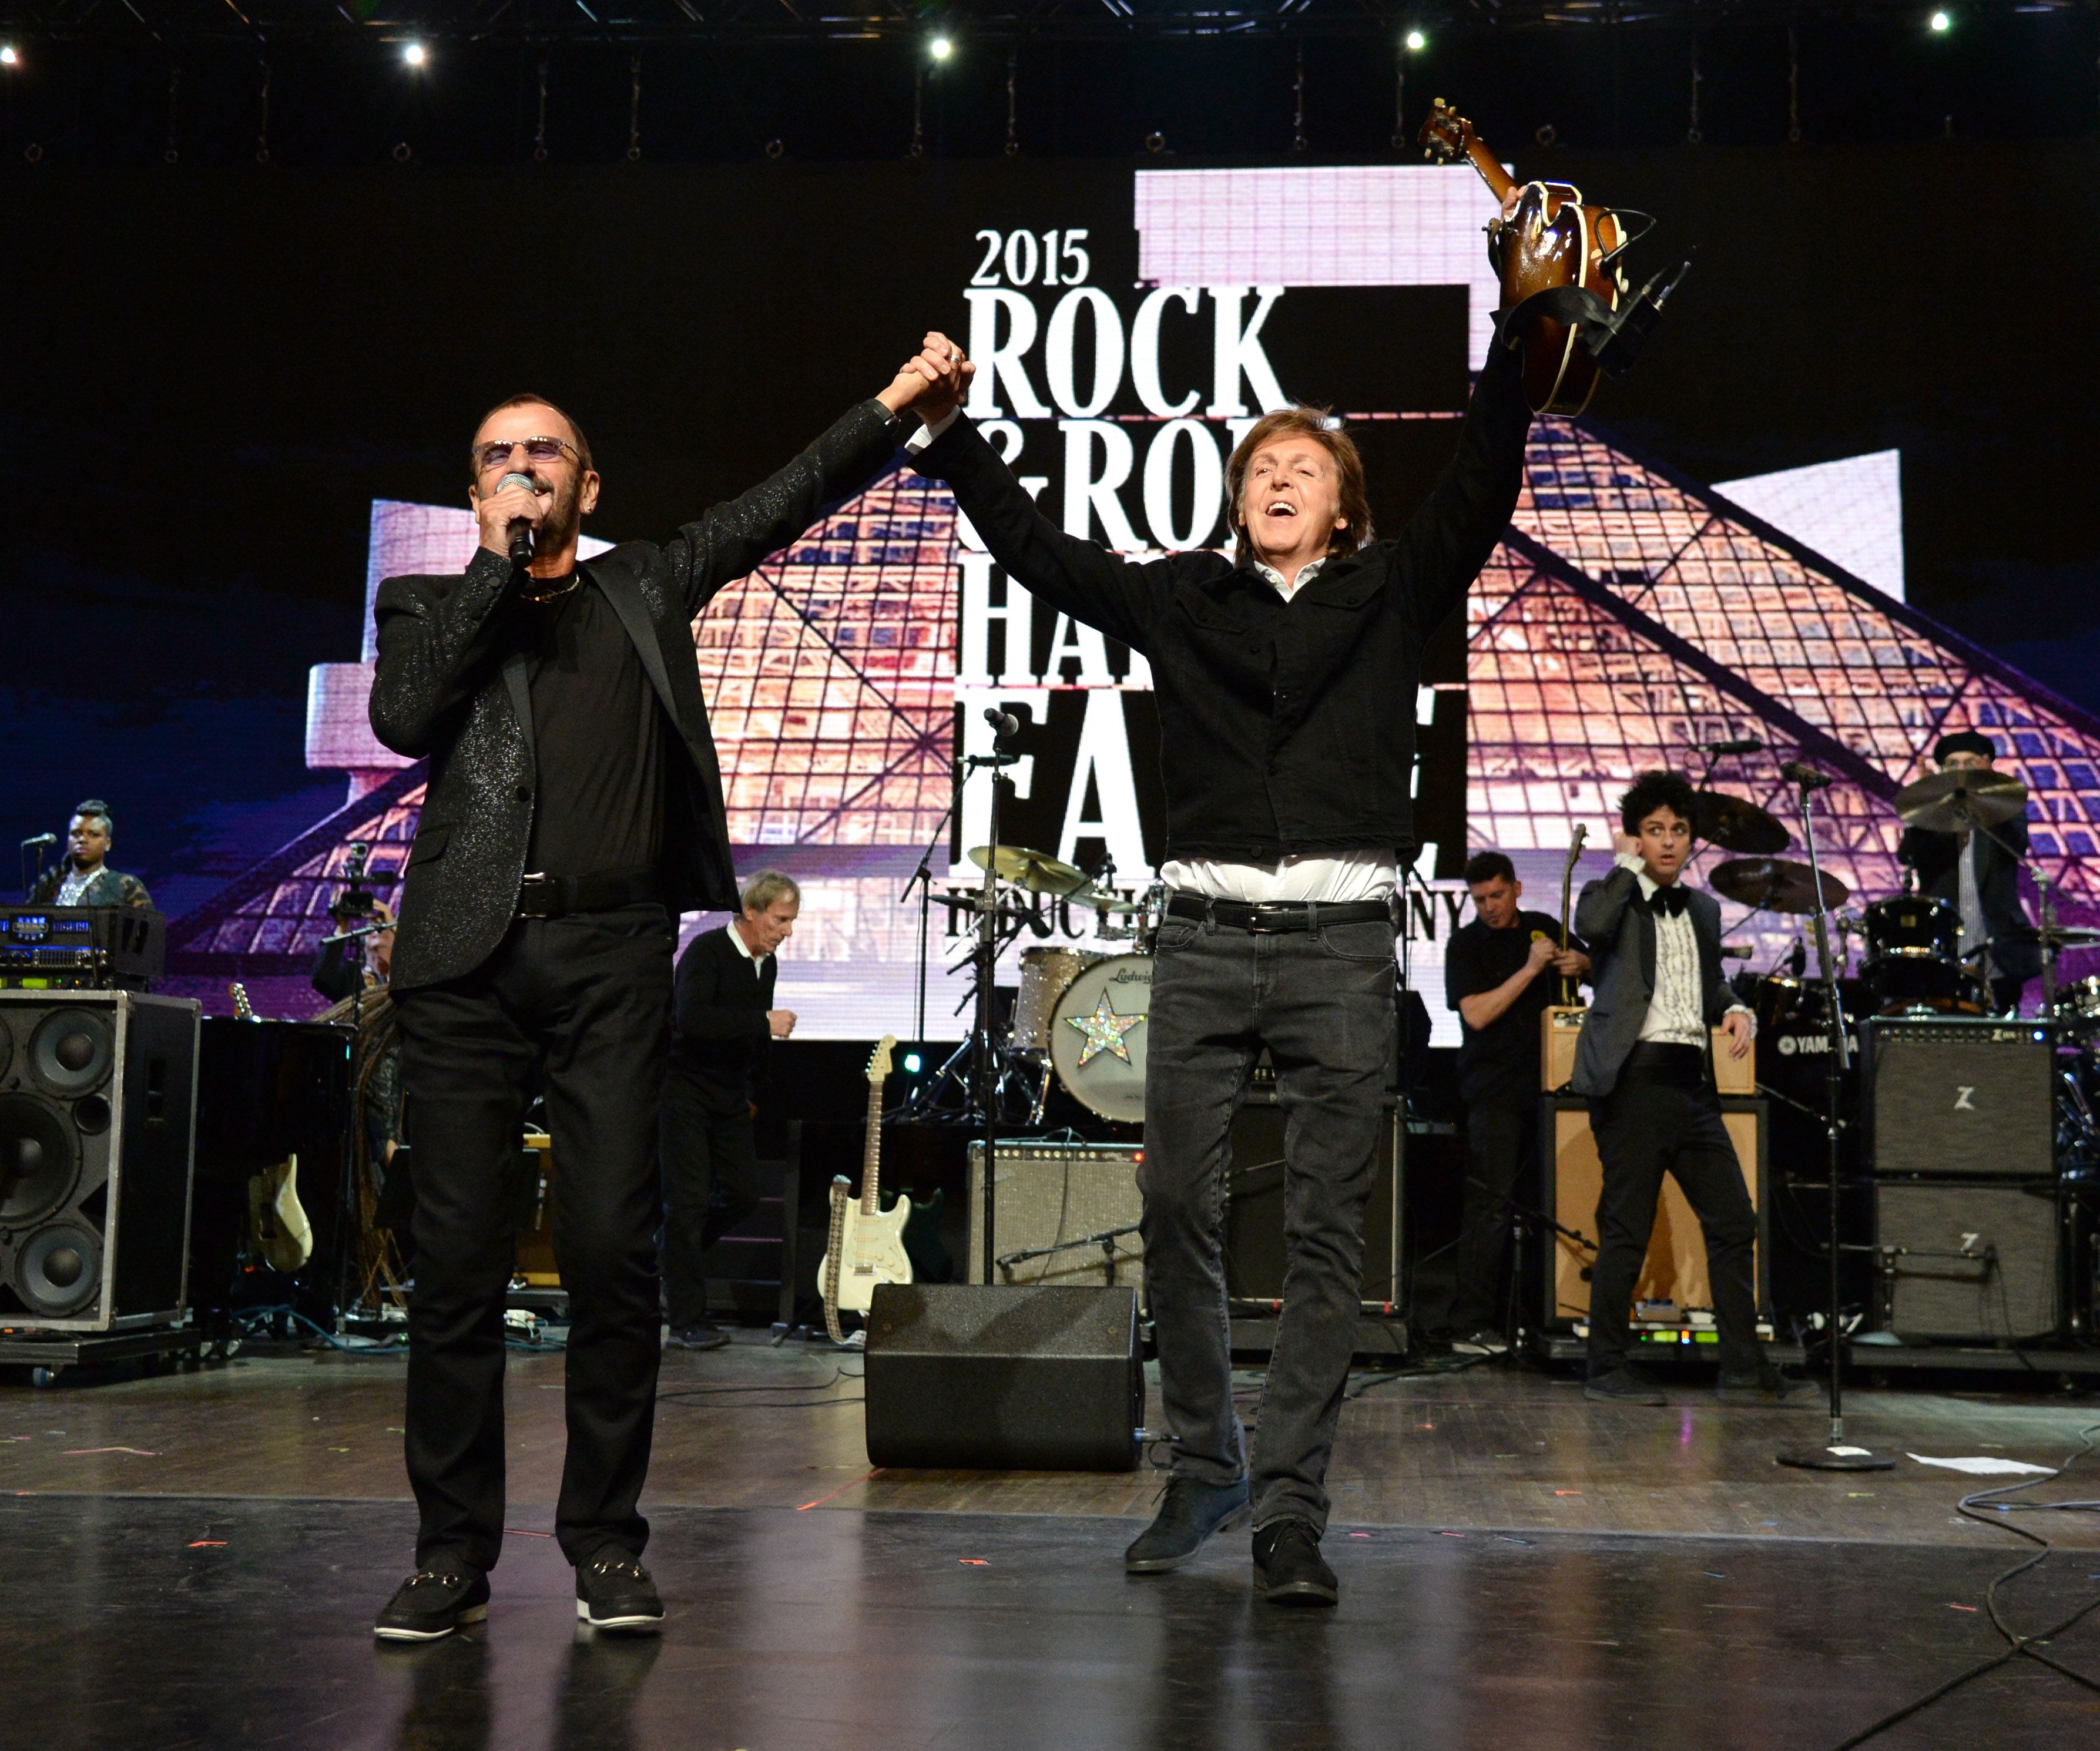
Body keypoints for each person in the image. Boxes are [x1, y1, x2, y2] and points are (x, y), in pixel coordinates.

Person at [905, 249, 1533, 1610]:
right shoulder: (1182, 600)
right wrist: (952, 435)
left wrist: (1519, 325)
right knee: (1174, 1202)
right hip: (1197, 942)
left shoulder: (1392, 592)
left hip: (1341, 950)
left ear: (1343, 502)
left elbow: (1482, 477)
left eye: (1302, 466)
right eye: (1259, 465)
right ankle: (1204, 1458)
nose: (1277, 477)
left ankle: (1290, 1507)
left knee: (1323, 1237)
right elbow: (1035, 548)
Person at [365, 341, 963, 1643]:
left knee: (607, 1252)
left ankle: (605, 1542)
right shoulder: (425, 601)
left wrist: (892, 409)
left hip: (609, 957)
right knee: (460, 1265)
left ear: (590, 482)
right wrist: (490, 565)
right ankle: (450, 1553)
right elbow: (407, 724)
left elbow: (781, 498)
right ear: (474, 492)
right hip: (463, 965)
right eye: (495, 459)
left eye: (543, 455)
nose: (520, 471)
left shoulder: (642, 583)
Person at [1571, 770, 1815, 1408]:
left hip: (1691, 1084)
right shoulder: (1611, 894)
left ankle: (1741, 1365)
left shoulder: (1702, 909)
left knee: (1734, 1220)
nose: (1670, 842)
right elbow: (1590, 927)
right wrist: (1624, 867)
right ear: (1636, 838)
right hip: (1635, 1083)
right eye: (1655, 831)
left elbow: (1709, 986)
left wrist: (1736, 1007)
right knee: (1626, 1227)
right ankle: (1605, 1367)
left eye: (1678, 830)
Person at [1441, 850, 1588, 1356]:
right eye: (1480, 899)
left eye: (1498, 895)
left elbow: (1593, 963)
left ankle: (1547, 1316)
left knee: (1554, 1205)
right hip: (1494, 1093)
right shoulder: (1466, 946)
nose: (1490, 907)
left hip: (1553, 1091)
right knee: (1491, 1209)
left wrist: (1579, 960)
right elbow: (1477, 1015)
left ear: (1518, 889)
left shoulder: (1545, 927)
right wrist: (1530, 969)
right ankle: (1471, 1323)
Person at [659, 869, 800, 1351]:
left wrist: (754, 1092)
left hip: (730, 1096)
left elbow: (752, 1042)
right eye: (780, 920)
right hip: (684, 1091)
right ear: (752, 912)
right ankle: (686, 1321)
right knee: (689, 1203)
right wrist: (762, 1021)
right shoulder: (707, 952)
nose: (787, 931)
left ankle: (672, 1258)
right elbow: (693, 1021)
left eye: (791, 921)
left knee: (742, 1196)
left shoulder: (768, 964)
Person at [1897, 729, 2038, 1014]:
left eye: (1970, 763)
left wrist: (1987, 799)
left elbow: (2018, 844)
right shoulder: (1931, 815)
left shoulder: (2006, 809)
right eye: (1952, 765)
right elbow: (1907, 854)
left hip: (1997, 940)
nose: (1961, 771)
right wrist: (1929, 801)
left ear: (1986, 763)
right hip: (1945, 942)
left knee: (2003, 1031)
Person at [29, 800, 153, 908]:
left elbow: (150, 931)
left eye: (94, 834)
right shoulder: (47, 886)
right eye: (76, 834)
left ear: (108, 844)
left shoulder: (124, 886)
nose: (83, 840)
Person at [311, 894, 395, 1003]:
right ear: (363, 942)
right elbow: (322, 978)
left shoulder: (406, 977)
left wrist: (392, 923)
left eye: (384, 925)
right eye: (372, 925)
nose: (377, 929)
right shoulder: (351, 978)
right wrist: (342, 927)